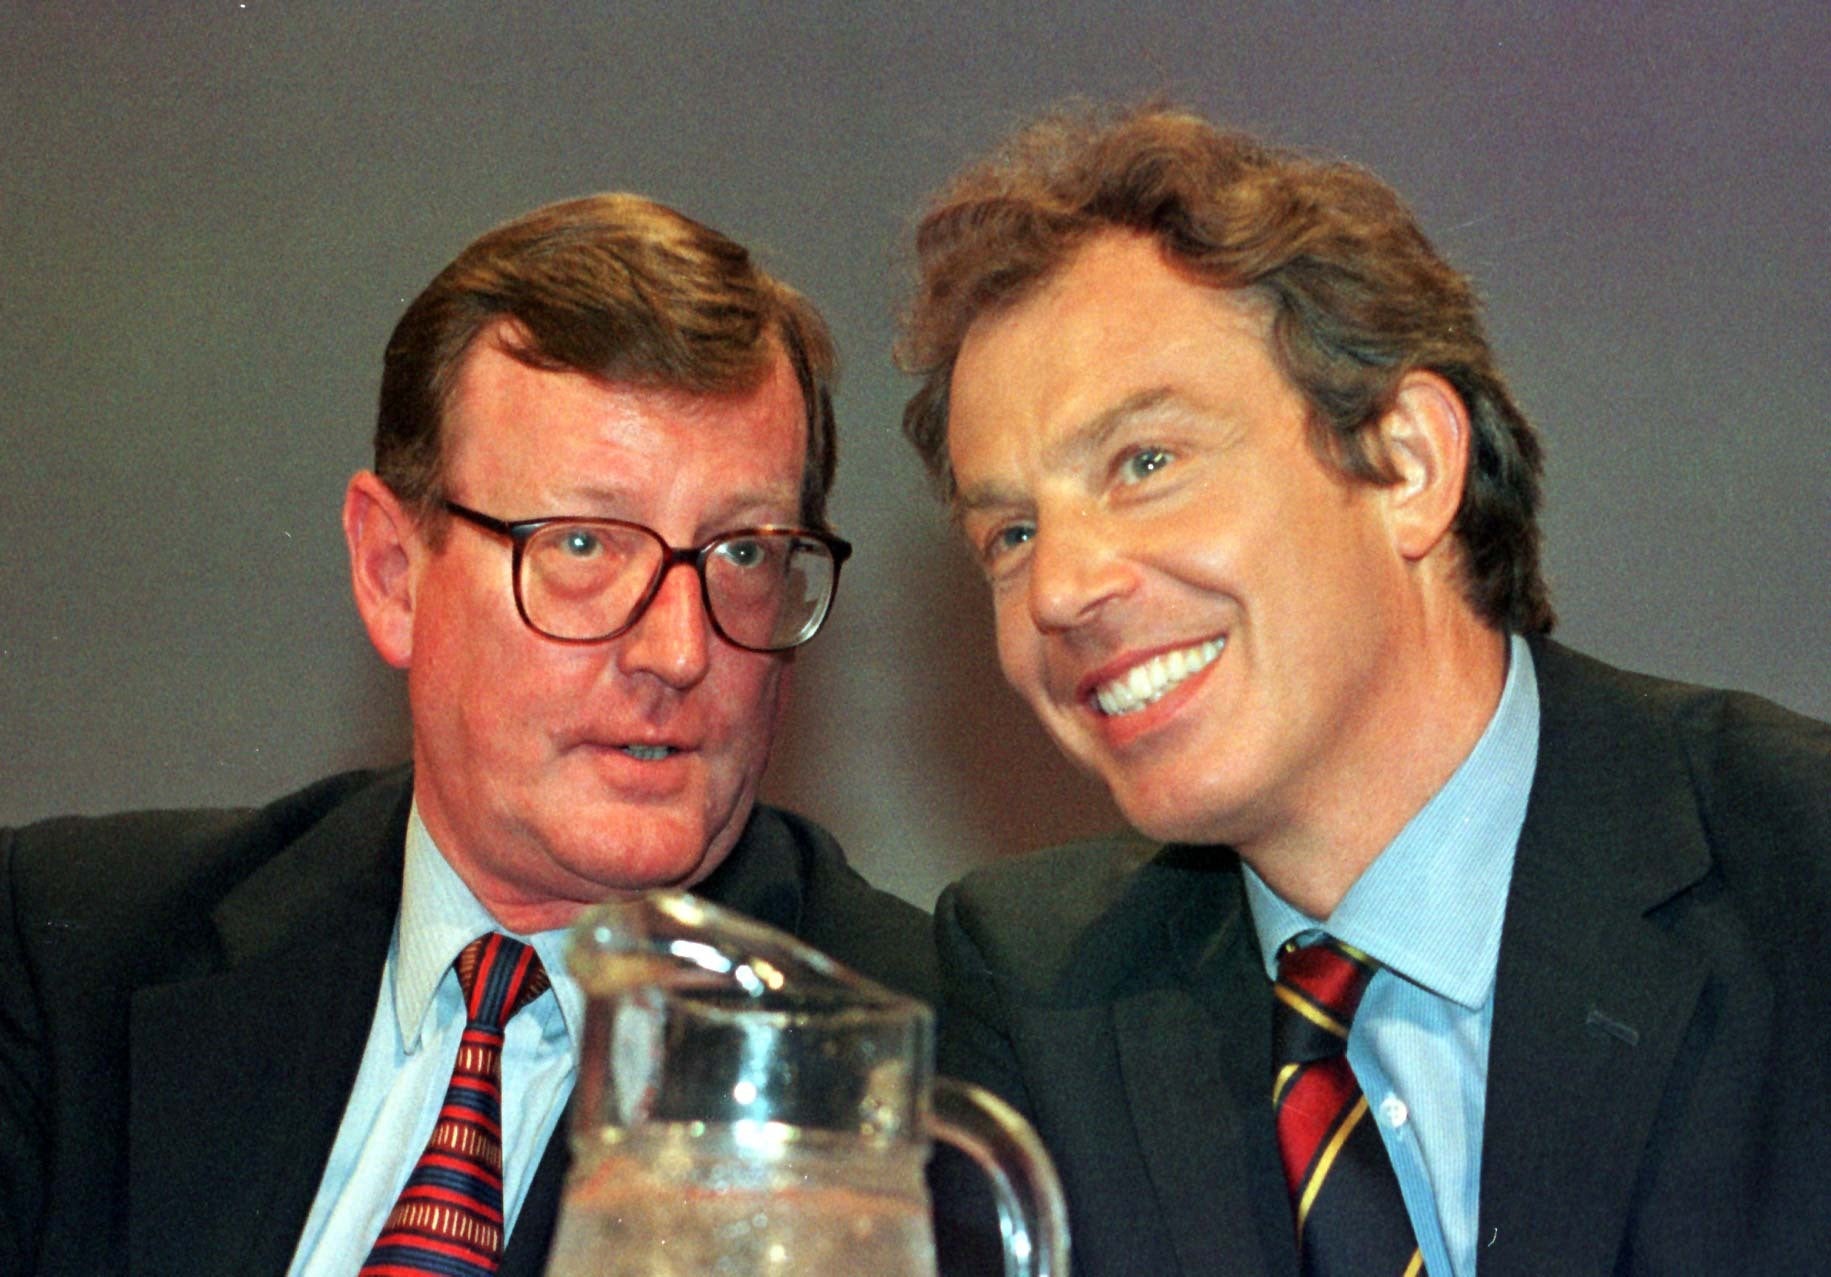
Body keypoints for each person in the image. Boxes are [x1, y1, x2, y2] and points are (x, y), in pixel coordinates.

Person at [898, 104, 1830, 1277]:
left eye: (1145, 462)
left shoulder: (1798, 872)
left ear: (1406, 463)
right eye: (1011, 532)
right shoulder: (1044, 998)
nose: (1061, 588)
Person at [1, 192, 935, 1277]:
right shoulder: (75, 949)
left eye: (742, 554)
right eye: (584, 541)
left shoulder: (914, 1058)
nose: (680, 651)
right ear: (393, 573)